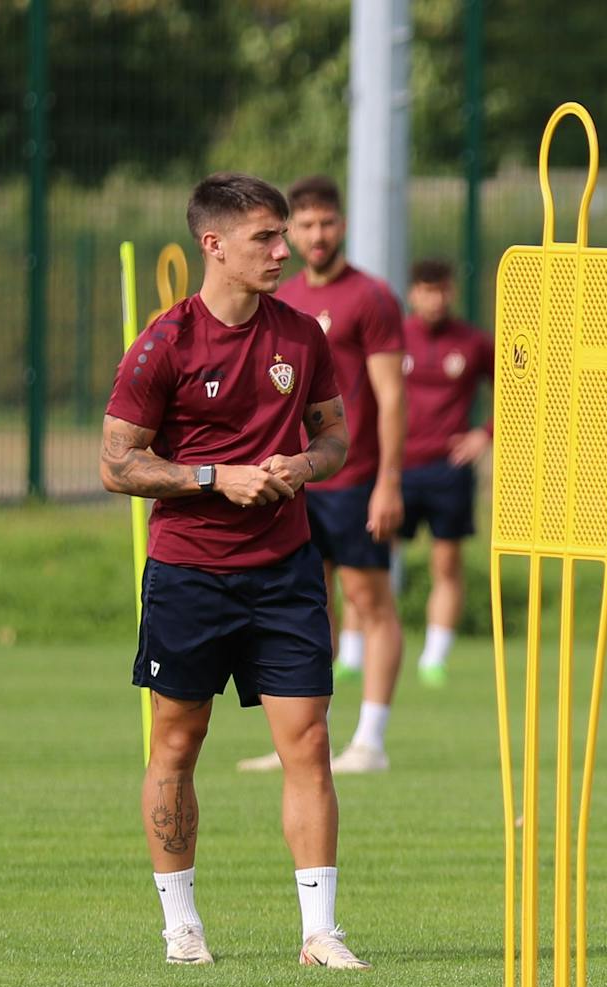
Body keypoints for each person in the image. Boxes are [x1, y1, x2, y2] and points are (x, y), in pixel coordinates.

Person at [101, 171, 370, 969]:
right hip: (189, 573)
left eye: (284, 234)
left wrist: (302, 464)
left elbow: (335, 438)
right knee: (178, 741)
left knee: (309, 740)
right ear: (214, 244)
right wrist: (217, 477)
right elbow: (117, 463)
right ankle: (181, 927)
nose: (284, 250)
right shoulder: (164, 343)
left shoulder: (302, 336)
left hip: (286, 570)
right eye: (266, 237)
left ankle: (320, 932)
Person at [239, 176, 407, 775]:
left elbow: (391, 397)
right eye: (305, 225)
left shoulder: (371, 297)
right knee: (310, 610)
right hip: (297, 483)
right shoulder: (282, 300)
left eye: (326, 223)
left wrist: (389, 481)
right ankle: (306, 740)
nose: (316, 235)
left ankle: (370, 741)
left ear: (343, 225)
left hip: (356, 481)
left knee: (369, 600)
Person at [397, 258, 494, 687]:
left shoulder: (473, 342)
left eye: (441, 290)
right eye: (425, 290)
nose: (434, 299)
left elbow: (520, 387)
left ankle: (434, 658)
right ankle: (355, 653)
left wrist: (483, 435)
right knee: (368, 564)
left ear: (451, 292)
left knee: (446, 563)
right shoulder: (394, 337)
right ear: (413, 293)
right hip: (396, 468)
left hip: (448, 470)